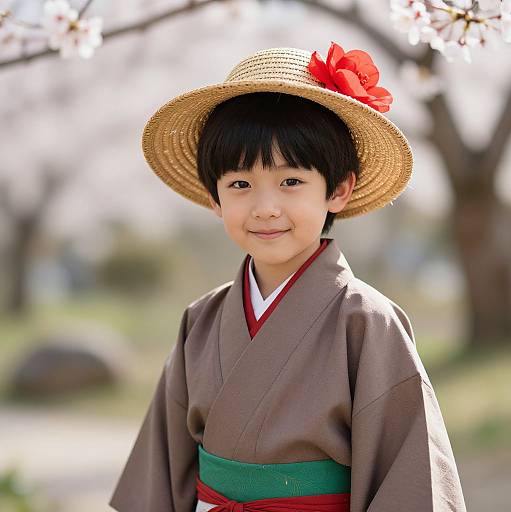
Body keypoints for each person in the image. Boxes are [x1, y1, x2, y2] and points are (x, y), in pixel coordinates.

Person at [108, 43, 467, 512]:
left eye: (291, 181)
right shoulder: (201, 320)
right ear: (214, 198)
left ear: (338, 189)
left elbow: (409, 476)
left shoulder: (367, 320)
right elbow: (158, 477)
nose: (265, 207)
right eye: (239, 184)